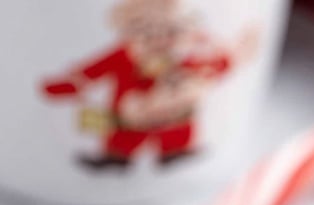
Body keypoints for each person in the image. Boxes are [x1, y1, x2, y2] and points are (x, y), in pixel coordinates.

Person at [41, 0, 251, 169]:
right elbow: (90, 73)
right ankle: (116, 157)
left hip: (173, 118)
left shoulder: (181, 59)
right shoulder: (122, 56)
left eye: (169, 32)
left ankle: (175, 153)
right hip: (129, 117)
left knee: (175, 133)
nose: (158, 39)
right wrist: (66, 86)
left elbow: (210, 67)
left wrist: (229, 56)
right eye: (147, 31)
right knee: (123, 138)